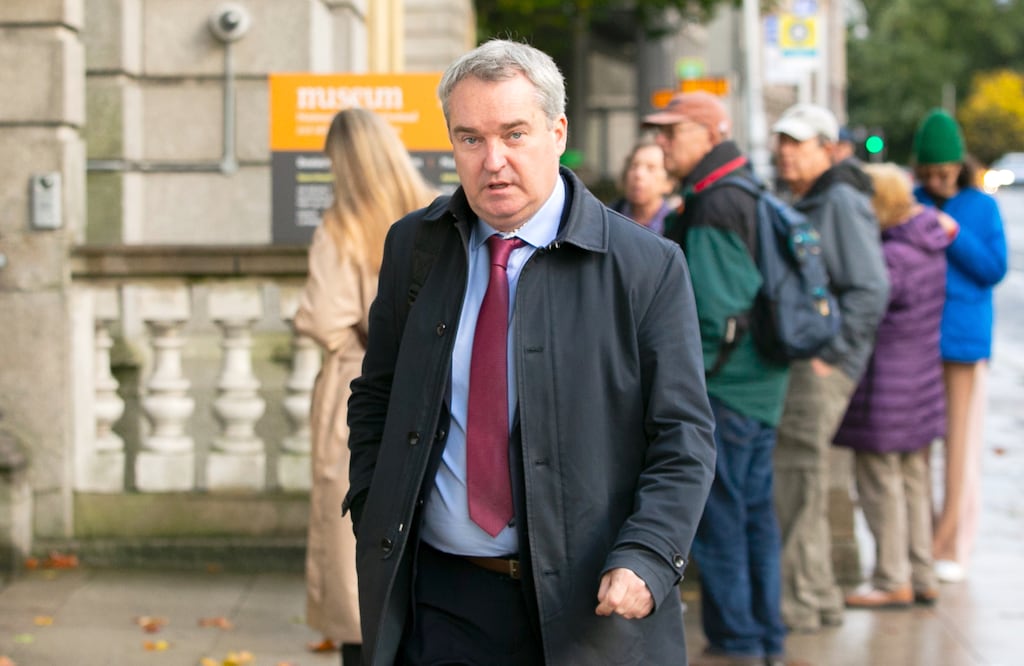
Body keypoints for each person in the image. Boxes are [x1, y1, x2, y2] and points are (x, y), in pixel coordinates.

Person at [344, 39, 716, 666]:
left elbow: (684, 437)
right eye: (470, 139)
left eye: (514, 134)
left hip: (591, 608)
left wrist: (649, 555)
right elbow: (376, 394)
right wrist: (370, 508)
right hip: (442, 600)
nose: (493, 161)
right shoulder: (416, 247)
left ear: (557, 130)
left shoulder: (645, 266)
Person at [645, 91, 790, 666]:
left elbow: (714, 315)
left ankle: (736, 642)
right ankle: (766, 638)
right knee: (753, 516)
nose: (662, 143)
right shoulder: (742, 187)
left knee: (723, 519)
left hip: (728, 392)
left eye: (671, 133)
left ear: (708, 134)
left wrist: (684, 391)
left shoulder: (715, 201)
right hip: (758, 387)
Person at [292, 107, 437, 666]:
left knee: (353, 531)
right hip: (428, 378)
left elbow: (323, 316)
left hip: (359, 381)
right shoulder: (433, 211)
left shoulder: (341, 226)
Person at [771, 103, 890, 633]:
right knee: (805, 486)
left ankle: (800, 605)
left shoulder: (838, 199)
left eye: (799, 142)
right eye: (782, 141)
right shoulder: (815, 196)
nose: (786, 151)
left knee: (798, 484)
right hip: (811, 360)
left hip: (820, 366)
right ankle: (816, 600)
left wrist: (832, 357)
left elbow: (872, 287)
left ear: (829, 148)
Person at [834, 163, 957, 609]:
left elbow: (867, 307)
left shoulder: (892, 257)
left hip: (886, 384)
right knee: (913, 479)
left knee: (879, 482)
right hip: (920, 381)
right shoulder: (928, 240)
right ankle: (922, 574)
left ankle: (890, 579)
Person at [910, 108, 1008, 583]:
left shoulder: (980, 206)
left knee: (959, 449)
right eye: (929, 173)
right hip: (916, 340)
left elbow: (994, 269)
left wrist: (954, 234)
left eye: (944, 172)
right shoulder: (913, 199)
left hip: (964, 342)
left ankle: (951, 545)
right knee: (916, 449)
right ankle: (922, 539)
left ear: (960, 165)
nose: (937, 180)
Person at [610, 136, 676, 233]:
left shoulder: (675, 226)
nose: (638, 174)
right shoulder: (607, 219)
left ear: (669, 183)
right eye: (634, 166)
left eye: (651, 168)